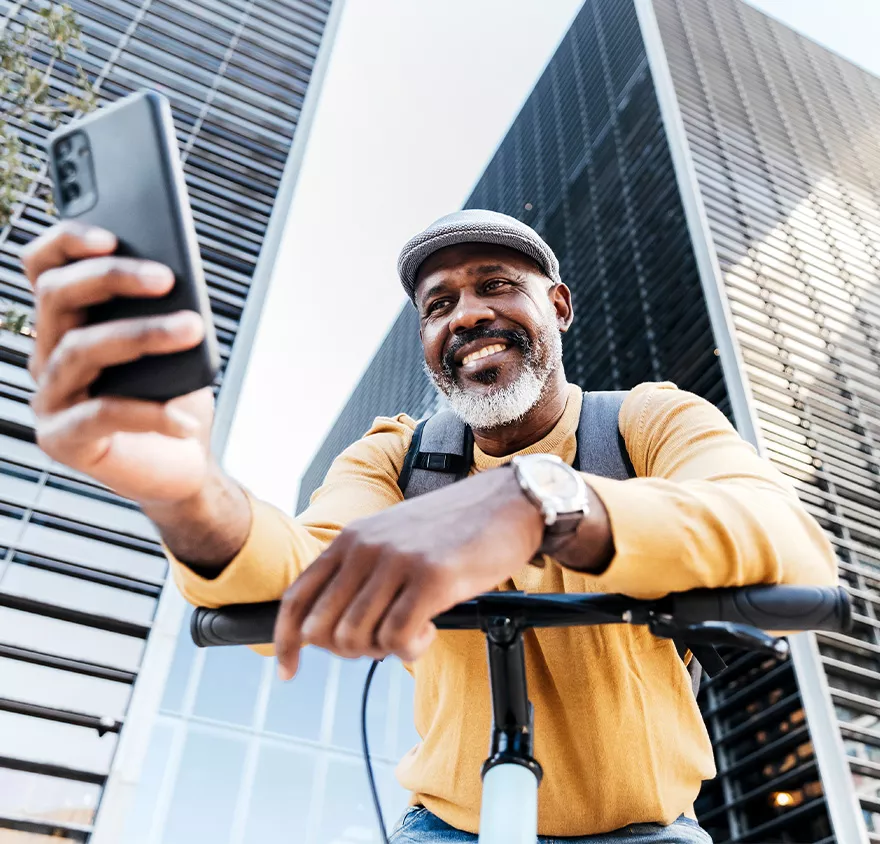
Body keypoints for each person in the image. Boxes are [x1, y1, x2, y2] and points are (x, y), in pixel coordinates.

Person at [22, 209, 837, 843]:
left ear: (557, 306)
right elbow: (303, 575)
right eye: (439, 305)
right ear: (426, 342)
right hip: (449, 824)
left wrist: (540, 500)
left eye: (496, 286)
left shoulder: (648, 422)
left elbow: (785, 533)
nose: (468, 314)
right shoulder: (395, 459)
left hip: (650, 828)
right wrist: (186, 491)